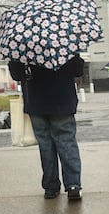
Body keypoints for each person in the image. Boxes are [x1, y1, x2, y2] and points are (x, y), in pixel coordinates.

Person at [8, 55, 84, 201]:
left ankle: (51, 187)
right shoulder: (65, 42)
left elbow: (17, 74)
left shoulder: (23, 45)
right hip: (63, 101)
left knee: (46, 145)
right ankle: (73, 185)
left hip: (36, 101)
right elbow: (78, 70)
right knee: (67, 143)